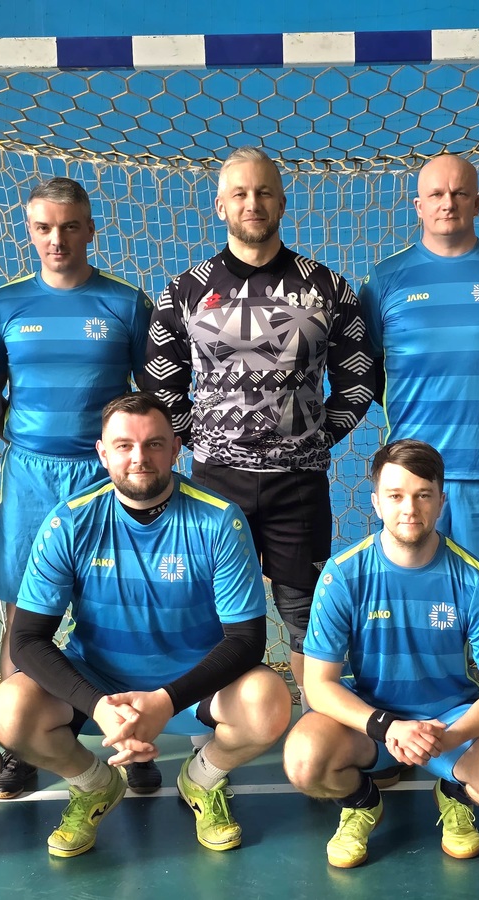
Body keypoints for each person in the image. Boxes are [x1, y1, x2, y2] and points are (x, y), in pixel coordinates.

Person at [0, 392, 291, 857]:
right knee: (8, 710)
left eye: (154, 444)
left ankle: (203, 777)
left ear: (176, 449)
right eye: (124, 445)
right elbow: (27, 639)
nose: (139, 457)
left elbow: (247, 641)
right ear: (102, 453)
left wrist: (164, 702)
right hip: (99, 683)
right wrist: (99, 706)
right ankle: (93, 783)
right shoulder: (70, 521)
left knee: (269, 702)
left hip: (193, 686)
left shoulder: (219, 520)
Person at [142, 146, 374, 705]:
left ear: (282, 203)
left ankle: (322, 728)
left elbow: (361, 378)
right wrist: (202, 439)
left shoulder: (326, 287)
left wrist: (315, 437)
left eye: (264, 192)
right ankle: (208, 731)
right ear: (220, 205)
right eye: (240, 193)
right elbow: (158, 381)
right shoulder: (185, 291)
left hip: (299, 484)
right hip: (214, 482)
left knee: (307, 617)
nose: (253, 203)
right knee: (210, 612)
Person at [359, 152, 479, 785]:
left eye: (460, 192)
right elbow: (366, 371)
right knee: (400, 605)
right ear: (417, 205)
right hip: (411, 484)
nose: (448, 203)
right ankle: (394, 740)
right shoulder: (386, 280)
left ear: (477, 201)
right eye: (436, 194)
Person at [283, 439, 479, 867]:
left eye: (423, 495)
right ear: (376, 502)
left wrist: (445, 738)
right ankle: (361, 803)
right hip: (373, 722)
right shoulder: (343, 574)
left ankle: (454, 791)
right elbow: (318, 683)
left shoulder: (473, 580)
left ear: (441, 501)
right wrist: (388, 727)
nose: (410, 509)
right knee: (303, 761)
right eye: (395, 495)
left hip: (448, 722)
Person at [0, 176, 153, 799]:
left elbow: (148, 398)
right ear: (29, 232)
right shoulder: (3, 306)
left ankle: (133, 742)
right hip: (31, 474)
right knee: (23, 613)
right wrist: (31, 438)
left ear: (90, 230)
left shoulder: (126, 304)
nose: (57, 239)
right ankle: (20, 747)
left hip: (104, 475)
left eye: (70, 226)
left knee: (117, 609)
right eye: (44, 227)